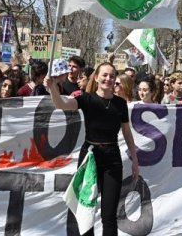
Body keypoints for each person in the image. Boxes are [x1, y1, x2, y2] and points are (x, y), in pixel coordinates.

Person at [44, 63, 139, 236]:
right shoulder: (86, 99)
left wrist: (135, 160)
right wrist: (52, 88)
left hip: (112, 159)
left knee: (109, 215)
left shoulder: (120, 104)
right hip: (90, 158)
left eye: (112, 76)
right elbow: (61, 105)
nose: (108, 79)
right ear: (96, 77)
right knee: (86, 212)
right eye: (104, 75)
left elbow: (127, 132)